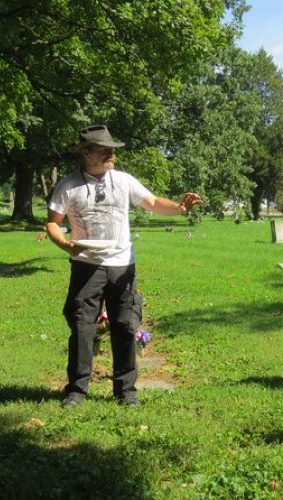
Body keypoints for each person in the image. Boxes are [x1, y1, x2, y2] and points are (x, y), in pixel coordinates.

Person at [47, 124, 201, 408]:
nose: (110, 155)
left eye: (111, 150)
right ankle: (77, 391)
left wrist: (180, 208)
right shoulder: (68, 186)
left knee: (125, 325)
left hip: (122, 266)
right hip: (85, 266)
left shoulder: (124, 181)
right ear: (85, 153)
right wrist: (67, 245)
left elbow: (153, 202)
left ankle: (126, 390)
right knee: (82, 327)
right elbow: (52, 224)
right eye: (103, 150)